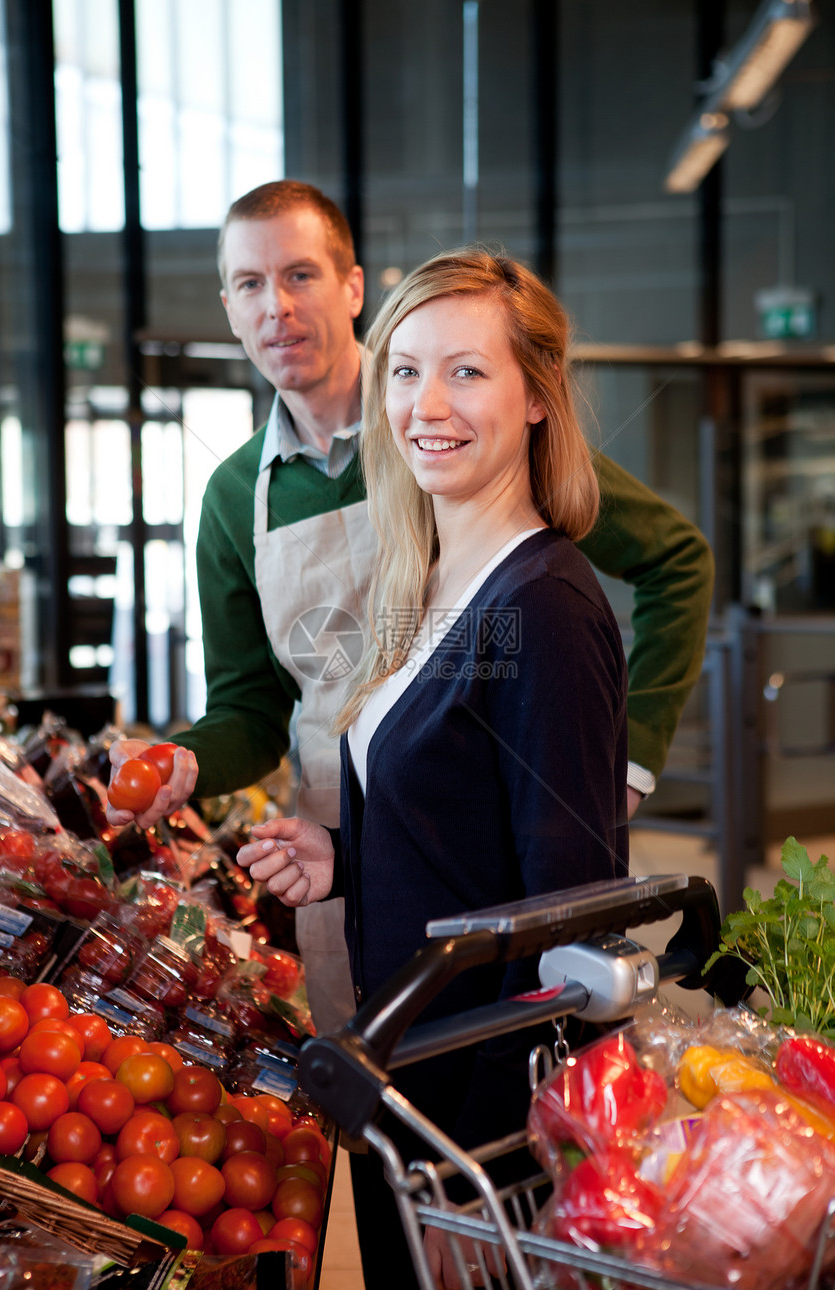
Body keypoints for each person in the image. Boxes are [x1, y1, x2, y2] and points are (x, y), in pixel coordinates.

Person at [105, 179, 714, 1037]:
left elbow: (671, 564)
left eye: (300, 275)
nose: (276, 307)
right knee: (378, 1109)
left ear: (355, 288)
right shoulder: (234, 495)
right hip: (354, 850)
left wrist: (630, 762)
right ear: (228, 307)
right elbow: (250, 706)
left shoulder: (473, 455)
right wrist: (190, 762)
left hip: (485, 893)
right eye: (249, 284)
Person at [235, 248, 628, 1290]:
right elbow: (467, 824)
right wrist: (346, 856)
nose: (425, 405)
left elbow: (569, 923)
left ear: (537, 397)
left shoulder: (540, 607)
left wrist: (485, 1170)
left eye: (465, 371)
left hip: (472, 1119)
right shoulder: (428, 581)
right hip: (401, 1069)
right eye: (404, 371)